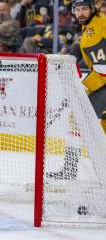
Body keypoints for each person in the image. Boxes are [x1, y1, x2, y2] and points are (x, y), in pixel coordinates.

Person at [47, 0, 106, 180]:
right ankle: (70, 168)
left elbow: (102, 70)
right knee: (82, 121)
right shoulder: (89, 27)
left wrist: (84, 85)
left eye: (84, 9)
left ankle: (71, 169)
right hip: (101, 84)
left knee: (83, 121)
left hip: (102, 84)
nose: (80, 13)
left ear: (92, 9)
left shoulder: (98, 27)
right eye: (77, 9)